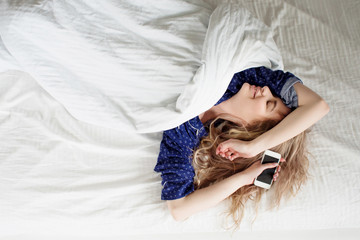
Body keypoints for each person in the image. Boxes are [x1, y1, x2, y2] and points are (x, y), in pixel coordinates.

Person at [154, 66, 329, 225]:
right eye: (272, 96)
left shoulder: (182, 135)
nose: (267, 90)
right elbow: (318, 106)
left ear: (251, 128)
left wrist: (244, 177)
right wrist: (254, 147)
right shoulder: (247, 76)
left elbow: (179, 209)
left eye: (269, 103)